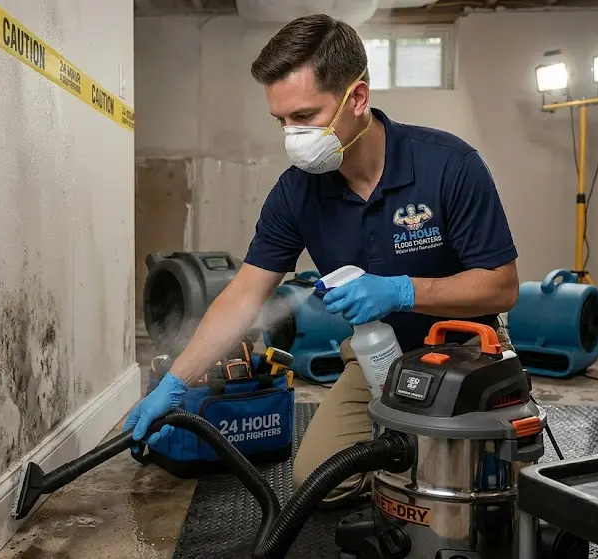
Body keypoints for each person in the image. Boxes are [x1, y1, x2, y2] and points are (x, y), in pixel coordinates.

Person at [125, 13, 520, 504]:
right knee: (318, 481)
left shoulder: (449, 166)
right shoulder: (296, 193)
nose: (292, 136)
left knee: (480, 485)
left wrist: (403, 291)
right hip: (376, 359)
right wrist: (176, 383)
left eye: (305, 116)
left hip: (465, 353)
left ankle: (423, 467)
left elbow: (502, 286)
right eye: (281, 121)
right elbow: (244, 295)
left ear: (358, 98)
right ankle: (404, 466)